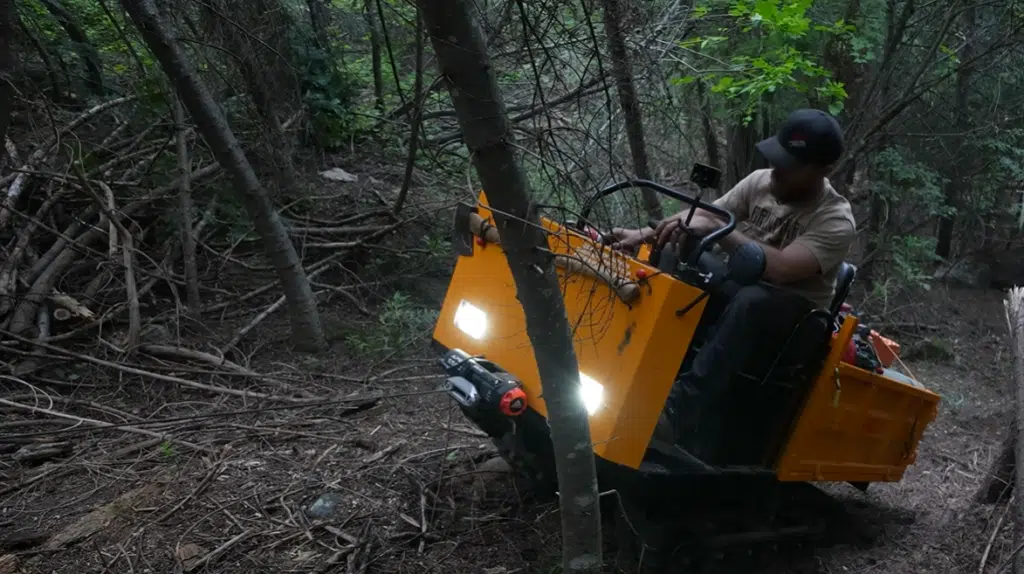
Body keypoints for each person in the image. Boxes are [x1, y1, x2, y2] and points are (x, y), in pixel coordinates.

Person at [609, 108, 857, 462]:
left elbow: (784, 270)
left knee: (755, 301)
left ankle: (677, 415)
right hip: (742, 288)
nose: (777, 171)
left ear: (822, 171)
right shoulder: (761, 181)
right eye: (777, 160)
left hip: (792, 318)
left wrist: (718, 231)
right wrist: (644, 235)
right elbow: (706, 215)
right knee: (680, 257)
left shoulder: (834, 219)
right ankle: (632, 370)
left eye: (790, 165)